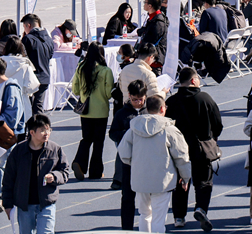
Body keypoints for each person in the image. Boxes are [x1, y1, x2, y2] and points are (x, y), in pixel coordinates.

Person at [119, 95, 192, 233]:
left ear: (147, 108)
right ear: (162, 109)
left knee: (144, 214)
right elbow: (182, 156)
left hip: (140, 180)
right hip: (162, 181)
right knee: (159, 218)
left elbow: (123, 152)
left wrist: (135, 164)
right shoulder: (170, 130)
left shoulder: (134, 128)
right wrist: (186, 177)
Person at [165, 67, 223, 231]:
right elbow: (217, 124)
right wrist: (212, 137)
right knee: (204, 181)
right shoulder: (205, 98)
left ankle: (179, 217)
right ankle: (201, 208)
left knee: (180, 182)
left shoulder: (172, 101)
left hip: (178, 149)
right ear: (193, 80)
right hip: (201, 147)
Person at [3, 114, 70, 234]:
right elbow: (8, 179)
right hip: (24, 205)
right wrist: (7, 204)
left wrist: (54, 177)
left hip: (46, 203)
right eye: (42, 130)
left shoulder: (55, 149)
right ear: (32, 132)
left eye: (49, 129)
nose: (47, 133)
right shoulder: (19, 151)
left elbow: (65, 172)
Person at [0, 57, 26, 206]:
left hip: (6, 133)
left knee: (4, 163)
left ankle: (2, 195)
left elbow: (13, 114)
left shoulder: (10, 87)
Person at [70, 42, 114, 181]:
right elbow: (108, 93)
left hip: (86, 110)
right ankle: (95, 171)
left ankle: (79, 161)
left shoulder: (81, 67)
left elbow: (75, 89)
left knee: (86, 138)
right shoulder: (106, 71)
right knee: (98, 142)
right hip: (101, 110)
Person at [109, 79, 146, 226]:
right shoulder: (121, 114)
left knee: (148, 197)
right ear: (129, 96)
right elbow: (113, 133)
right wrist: (128, 134)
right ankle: (127, 227)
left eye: (141, 99)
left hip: (146, 161)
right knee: (127, 197)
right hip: (128, 161)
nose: (138, 102)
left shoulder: (149, 111)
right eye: (134, 99)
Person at [20, 14, 53, 115]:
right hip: (45, 77)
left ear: (28, 25)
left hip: (32, 78)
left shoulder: (28, 39)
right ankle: (40, 124)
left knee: (28, 108)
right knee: (38, 106)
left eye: (24, 27)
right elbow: (50, 55)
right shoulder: (48, 39)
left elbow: (23, 58)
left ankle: (32, 125)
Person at [137, 0, 168, 68]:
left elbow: (151, 40)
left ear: (150, 6)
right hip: (149, 58)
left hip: (153, 59)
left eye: (145, 2)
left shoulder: (158, 22)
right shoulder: (153, 18)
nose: (144, 4)